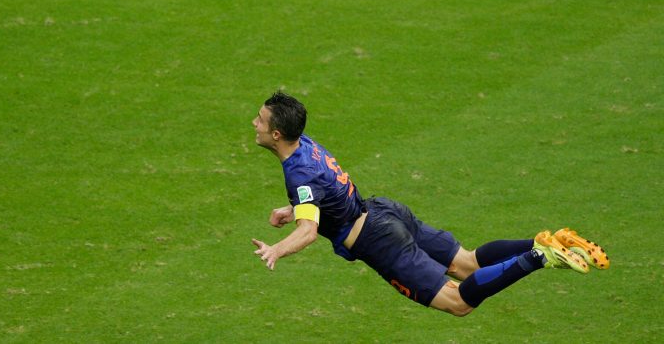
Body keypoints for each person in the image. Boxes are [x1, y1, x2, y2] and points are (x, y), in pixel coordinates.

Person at [250, 91, 609, 316]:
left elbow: (309, 231)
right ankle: (547, 239)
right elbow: (321, 193)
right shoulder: (305, 143)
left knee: (458, 302)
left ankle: (539, 256)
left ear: (277, 134)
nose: (256, 123)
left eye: (261, 120)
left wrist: (277, 251)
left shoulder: (298, 175)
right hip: (385, 211)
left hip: (378, 240)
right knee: (467, 265)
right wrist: (294, 208)